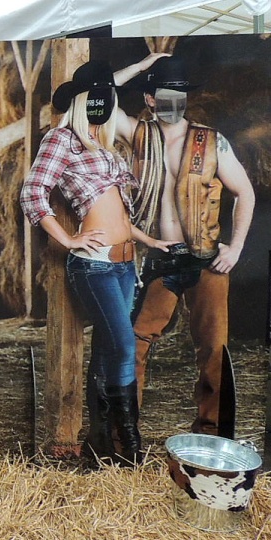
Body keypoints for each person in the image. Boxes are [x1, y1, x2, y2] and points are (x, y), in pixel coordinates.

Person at [20, 60, 175, 466]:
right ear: (81, 102)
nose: (104, 102)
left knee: (109, 352)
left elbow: (120, 213)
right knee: (123, 347)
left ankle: (101, 446)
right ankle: (131, 444)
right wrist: (70, 239)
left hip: (125, 263)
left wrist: (150, 239)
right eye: (97, 96)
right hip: (95, 264)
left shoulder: (102, 144)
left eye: (107, 96)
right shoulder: (61, 139)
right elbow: (32, 192)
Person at [114, 55, 255, 437]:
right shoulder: (136, 133)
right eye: (165, 94)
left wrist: (236, 247)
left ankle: (210, 437)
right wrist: (140, 64)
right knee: (132, 346)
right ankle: (123, 439)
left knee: (213, 350)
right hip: (158, 256)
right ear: (149, 98)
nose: (174, 102)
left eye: (180, 94)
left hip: (205, 258)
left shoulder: (211, 142)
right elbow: (89, 99)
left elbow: (244, 192)